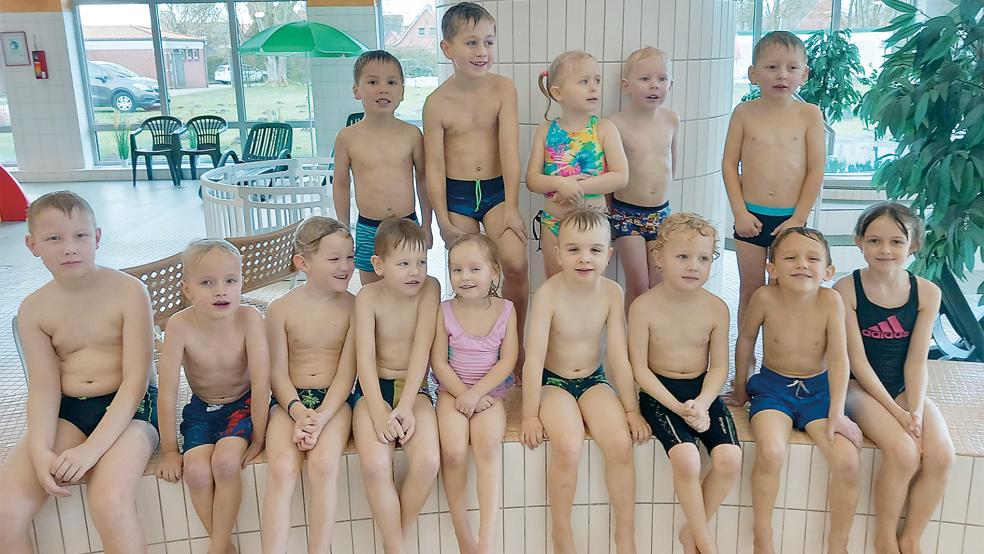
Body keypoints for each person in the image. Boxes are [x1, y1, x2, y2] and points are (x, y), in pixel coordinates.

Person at [0, 191, 159, 554]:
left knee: (109, 501)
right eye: (54, 238)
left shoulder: (130, 292)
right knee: (5, 513)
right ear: (32, 244)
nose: (69, 248)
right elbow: (43, 388)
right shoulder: (34, 309)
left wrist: (91, 450)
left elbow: (137, 379)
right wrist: (41, 450)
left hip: (131, 410)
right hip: (69, 410)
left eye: (80, 236)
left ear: (97, 238)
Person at [520, 207, 649, 554]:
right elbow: (533, 360)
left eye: (594, 250)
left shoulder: (612, 293)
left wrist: (631, 409)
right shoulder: (548, 294)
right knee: (567, 445)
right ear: (558, 253)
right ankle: (561, 534)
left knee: (620, 444)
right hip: (555, 383)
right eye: (574, 249)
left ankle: (625, 534)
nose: (584, 258)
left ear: (608, 254)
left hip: (594, 379)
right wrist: (530, 414)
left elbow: (618, 357)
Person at [728, 227, 862, 554]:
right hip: (773, 389)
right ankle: (763, 534)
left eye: (812, 258)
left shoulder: (831, 301)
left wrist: (837, 412)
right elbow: (746, 339)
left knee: (847, 461)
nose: (802, 264)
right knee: (771, 451)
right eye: (790, 257)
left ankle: (838, 542)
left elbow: (839, 357)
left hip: (819, 391)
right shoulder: (764, 297)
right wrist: (741, 387)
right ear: (772, 268)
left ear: (828, 271)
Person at [833, 202, 953, 554]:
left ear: (914, 244)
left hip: (902, 388)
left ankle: (910, 538)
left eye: (897, 242)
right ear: (859, 242)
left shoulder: (927, 293)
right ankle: (884, 538)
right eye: (874, 241)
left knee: (942, 456)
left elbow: (917, 362)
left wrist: (913, 408)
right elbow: (856, 361)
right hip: (858, 387)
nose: (885, 250)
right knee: (903, 452)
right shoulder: (847, 289)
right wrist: (897, 413)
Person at [424, 2, 529, 379]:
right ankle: (467, 352)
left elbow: (509, 151)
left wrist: (513, 206)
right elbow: (434, 167)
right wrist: (441, 219)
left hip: (498, 191)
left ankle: (514, 345)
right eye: (471, 42)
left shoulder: (503, 89)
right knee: (466, 276)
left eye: (488, 42)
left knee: (515, 263)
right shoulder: (436, 103)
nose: (482, 52)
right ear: (447, 48)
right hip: (457, 195)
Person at [628, 213, 741, 554]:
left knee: (730, 459)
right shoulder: (643, 307)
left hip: (701, 392)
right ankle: (706, 544)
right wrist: (678, 407)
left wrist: (704, 403)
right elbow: (639, 370)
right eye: (683, 257)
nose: (694, 266)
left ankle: (691, 534)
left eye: (703, 258)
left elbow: (720, 366)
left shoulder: (716, 308)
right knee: (688, 459)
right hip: (659, 393)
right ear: (658, 257)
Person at [155, 239, 269, 554]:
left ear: (241, 282)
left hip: (243, 405)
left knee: (225, 462)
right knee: (195, 471)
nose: (221, 290)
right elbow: (167, 392)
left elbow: (261, 384)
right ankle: (224, 546)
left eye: (230, 281)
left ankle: (217, 548)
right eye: (207, 283)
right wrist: (168, 450)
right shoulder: (178, 325)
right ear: (187, 289)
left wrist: (259, 438)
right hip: (201, 409)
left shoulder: (250, 319)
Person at [261, 217, 358, 554]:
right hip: (289, 403)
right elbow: (277, 373)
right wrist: (299, 412)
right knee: (283, 469)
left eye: (350, 256)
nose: (345, 266)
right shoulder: (279, 310)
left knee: (323, 465)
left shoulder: (355, 307)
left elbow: (347, 375)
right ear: (303, 263)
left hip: (336, 402)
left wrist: (320, 417)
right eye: (334, 259)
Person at [722, 31, 826, 327]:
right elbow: (729, 164)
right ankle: (745, 361)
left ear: (804, 74)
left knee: (786, 292)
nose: (782, 75)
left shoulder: (809, 114)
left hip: (791, 218)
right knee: (751, 291)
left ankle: (779, 360)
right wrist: (739, 212)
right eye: (772, 67)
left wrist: (799, 218)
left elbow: (815, 170)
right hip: (751, 218)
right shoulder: (743, 113)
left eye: (792, 68)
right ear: (753, 74)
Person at [351, 217, 441, 554]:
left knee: (429, 462)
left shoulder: (430, 288)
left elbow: (423, 347)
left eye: (421, 262)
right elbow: (365, 357)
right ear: (379, 265)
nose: (414, 272)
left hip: (413, 387)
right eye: (403, 264)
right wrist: (377, 409)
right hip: (373, 389)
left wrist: (404, 407)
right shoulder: (367, 297)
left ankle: (394, 544)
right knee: (375, 466)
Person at [431, 233, 517, 554]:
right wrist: (463, 395)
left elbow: (507, 361)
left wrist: (477, 394)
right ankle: (463, 533)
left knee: (487, 448)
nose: (464, 277)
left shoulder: (507, 310)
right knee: (452, 451)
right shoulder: (444, 310)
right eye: (456, 269)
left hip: (490, 393)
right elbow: (438, 361)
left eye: (474, 269)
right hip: (452, 392)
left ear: (494, 272)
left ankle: (487, 539)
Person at [332, 49, 432, 285]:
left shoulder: (412, 135)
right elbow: (341, 185)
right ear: (357, 90)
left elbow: (423, 181)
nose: (383, 88)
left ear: (402, 91)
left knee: (410, 286)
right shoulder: (347, 138)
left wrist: (427, 223)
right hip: (369, 227)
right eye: (373, 81)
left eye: (391, 82)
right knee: (371, 291)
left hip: (408, 224)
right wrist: (344, 229)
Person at [527, 49, 628, 278]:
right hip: (554, 225)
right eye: (584, 81)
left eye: (597, 80)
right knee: (556, 287)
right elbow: (532, 179)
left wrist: (578, 187)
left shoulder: (604, 129)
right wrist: (559, 183)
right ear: (557, 92)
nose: (593, 87)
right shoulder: (545, 131)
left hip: (594, 227)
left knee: (591, 290)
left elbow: (620, 176)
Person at [609, 47, 679, 309]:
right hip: (626, 214)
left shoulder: (671, 120)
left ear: (671, 84)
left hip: (661, 213)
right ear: (626, 86)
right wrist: (608, 212)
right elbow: (610, 172)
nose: (654, 86)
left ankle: (653, 343)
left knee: (660, 285)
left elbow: (672, 163)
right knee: (638, 286)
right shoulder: (615, 124)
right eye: (645, 79)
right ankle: (633, 345)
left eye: (662, 79)